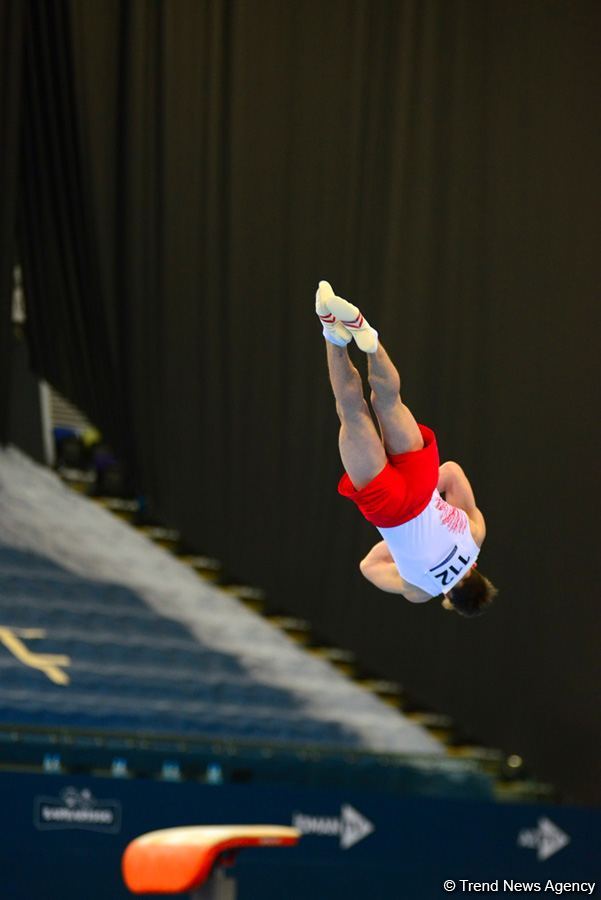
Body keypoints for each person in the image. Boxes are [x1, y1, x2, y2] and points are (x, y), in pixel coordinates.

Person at [316, 280, 497, 616]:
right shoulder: (420, 591)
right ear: (448, 599)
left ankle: (367, 337)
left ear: (478, 573)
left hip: (423, 484)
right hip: (391, 511)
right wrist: (405, 543)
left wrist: (425, 498)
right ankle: (331, 332)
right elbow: (368, 566)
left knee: (389, 401)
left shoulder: (476, 534)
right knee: (351, 412)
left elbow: (452, 472)